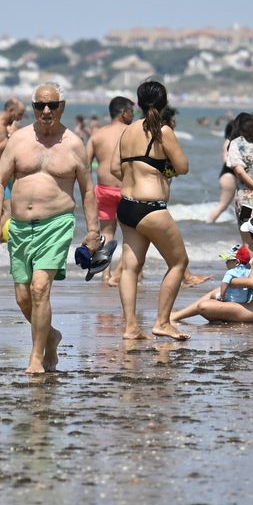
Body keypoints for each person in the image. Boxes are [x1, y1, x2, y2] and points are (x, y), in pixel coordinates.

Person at [0, 83, 103, 373]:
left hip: (57, 224)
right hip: (20, 226)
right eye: (40, 106)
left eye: (52, 105)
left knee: (40, 288)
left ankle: (36, 357)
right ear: (33, 107)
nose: (46, 111)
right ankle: (50, 337)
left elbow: (88, 191)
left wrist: (92, 231)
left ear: (63, 106)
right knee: (23, 297)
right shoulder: (19, 140)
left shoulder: (74, 144)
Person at [109, 80, 191, 344]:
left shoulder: (128, 130)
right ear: (164, 102)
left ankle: (131, 326)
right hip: (151, 207)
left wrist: (140, 169)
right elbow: (183, 167)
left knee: (130, 268)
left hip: (127, 206)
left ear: (138, 103)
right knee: (179, 263)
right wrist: (160, 171)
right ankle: (163, 322)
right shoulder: (162, 131)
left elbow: (113, 168)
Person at [171, 216, 253, 325]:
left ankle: (179, 316)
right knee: (216, 291)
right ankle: (178, 315)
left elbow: (252, 282)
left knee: (204, 307)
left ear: (252, 236)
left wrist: (229, 281)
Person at [86, 96, 134, 268]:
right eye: (131, 111)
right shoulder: (132, 132)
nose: (133, 114)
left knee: (107, 233)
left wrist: (89, 189)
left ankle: (105, 274)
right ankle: (128, 273)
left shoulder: (97, 135)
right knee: (131, 235)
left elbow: (85, 165)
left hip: (103, 190)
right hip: (127, 189)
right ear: (123, 112)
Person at [205, 119, 239, 225]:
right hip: (229, 176)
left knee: (236, 204)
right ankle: (208, 224)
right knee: (223, 205)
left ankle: (233, 227)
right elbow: (226, 160)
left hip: (229, 176)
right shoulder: (229, 142)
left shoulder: (232, 142)